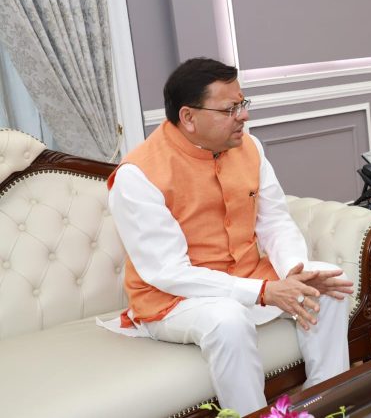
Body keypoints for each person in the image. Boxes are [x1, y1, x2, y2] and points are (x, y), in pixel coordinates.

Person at [101, 57, 354, 415]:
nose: (243, 116)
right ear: (189, 117)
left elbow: (275, 222)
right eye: (230, 109)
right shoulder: (137, 176)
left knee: (327, 284)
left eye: (242, 103)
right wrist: (263, 292)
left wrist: (293, 272)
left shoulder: (250, 148)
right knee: (227, 318)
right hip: (175, 299)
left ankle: (321, 405)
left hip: (248, 277)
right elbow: (169, 272)